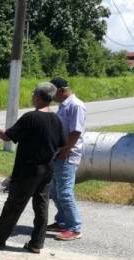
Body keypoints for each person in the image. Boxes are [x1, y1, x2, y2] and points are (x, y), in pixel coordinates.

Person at [0, 82, 66, 253]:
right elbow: (61, 144)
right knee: (41, 206)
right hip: (47, 169)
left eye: (33, 94)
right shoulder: (56, 119)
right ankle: (37, 243)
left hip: (28, 170)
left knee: (14, 205)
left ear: (37, 96)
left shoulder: (31, 117)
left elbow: (8, 136)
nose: (32, 97)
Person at [48, 77, 85, 241]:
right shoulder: (64, 106)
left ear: (61, 90)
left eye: (52, 92)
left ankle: (74, 228)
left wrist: (65, 150)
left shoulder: (75, 105)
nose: (51, 96)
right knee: (55, 191)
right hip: (59, 153)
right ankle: (62, 221)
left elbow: (76, 132)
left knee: (64, 192)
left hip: (68, 155)